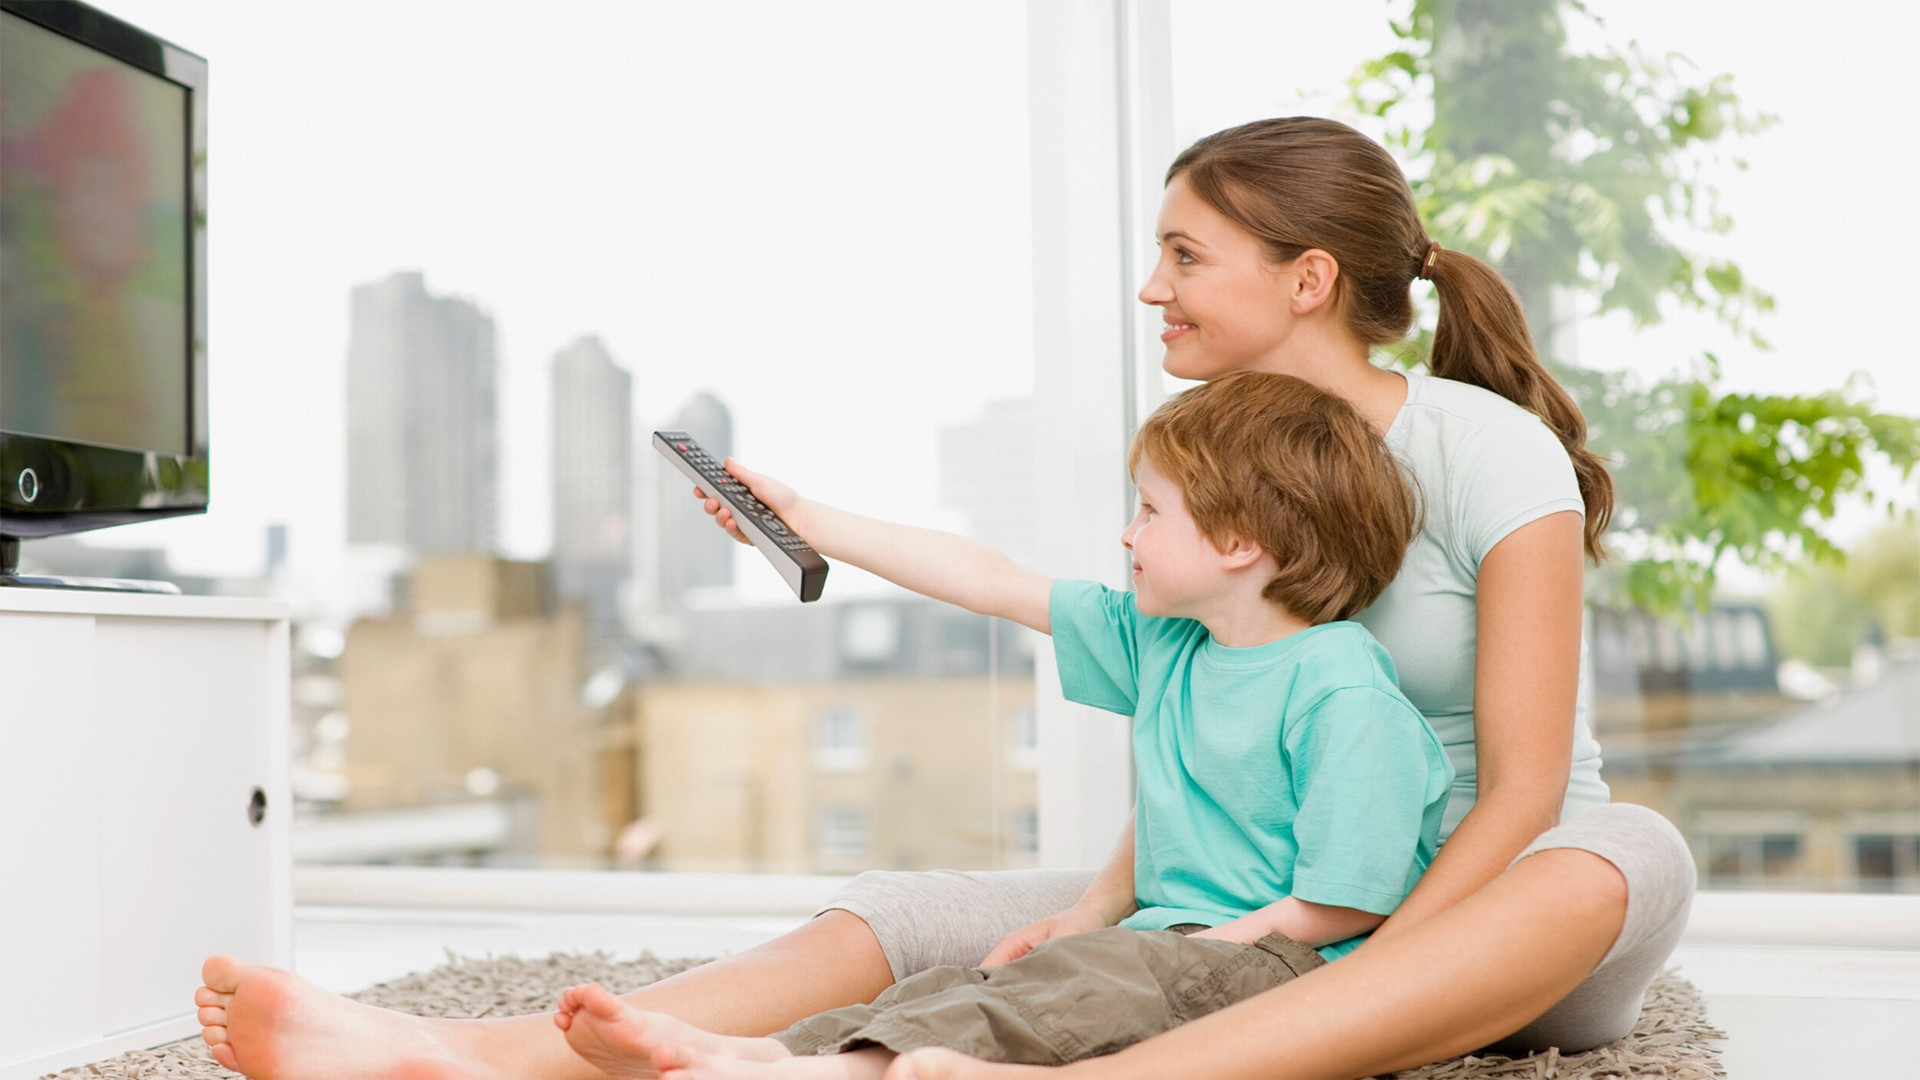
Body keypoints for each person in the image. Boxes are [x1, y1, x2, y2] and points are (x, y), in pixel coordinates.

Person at [193, 116, 1694, 1080]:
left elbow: (1514, 785)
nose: (1152, 286)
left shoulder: (1481, 450)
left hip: (1492, 903)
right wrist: (810, 518)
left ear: (1307, 279)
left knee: (1614, 852)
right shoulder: (1228, 476)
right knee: (931, 915)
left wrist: (1371, 955)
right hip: (1262, 900)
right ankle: (462, 1057)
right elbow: (1194, 704)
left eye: (1185, 254)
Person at [544, 371, 1452, 1080]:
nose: (1128, 535)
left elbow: (1350, 897)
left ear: (1241, 540)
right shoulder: (1171, 644)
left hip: (1287, 969)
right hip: (1173, 944)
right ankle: (774, 1053)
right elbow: (986, 577)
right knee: (972, 984)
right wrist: (808, 518)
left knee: (1078, 989)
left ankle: (833, 1070)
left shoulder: (1341, 688)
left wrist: (1199, 946)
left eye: (1149, 510)